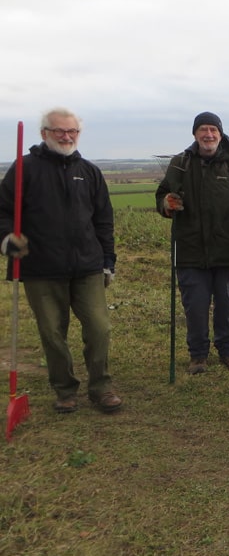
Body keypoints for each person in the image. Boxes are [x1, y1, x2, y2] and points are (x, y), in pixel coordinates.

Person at [0, 107, 121, 413]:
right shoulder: (24, 168)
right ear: (44, 134)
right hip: (41, 267)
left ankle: (101, 387)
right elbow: (3, 212)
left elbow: (104, 220)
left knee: (99, 328)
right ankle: (65, 390)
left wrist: (108, 260)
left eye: (72, 132)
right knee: (53, 333)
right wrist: (6, 241)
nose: (66, 137)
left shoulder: (91, 171)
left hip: (88, 267)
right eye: (59, 131)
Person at [155, 112, 229, 374]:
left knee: (225, 304)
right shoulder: (180, 163)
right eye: (203, 130)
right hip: (189, 249)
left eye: (213, 130)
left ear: (220, 135)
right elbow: (163, 195)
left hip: (225, 248)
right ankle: (198, 355)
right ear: (195, 134)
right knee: (195, 306)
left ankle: (228, 351)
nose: (208, 134)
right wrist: (167, 204)